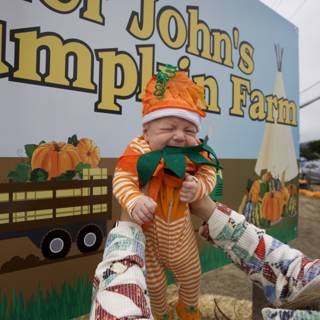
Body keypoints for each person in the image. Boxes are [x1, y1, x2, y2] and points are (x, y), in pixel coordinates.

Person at [90, 197, 320, 320]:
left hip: (177, 249)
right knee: (158, 287)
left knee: (190, 276)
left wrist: (127, 230)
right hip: (154, 252)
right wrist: (211, 211)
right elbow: (294, 273)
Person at [112, 67, 219, 320]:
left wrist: (198, 188)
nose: (180, 136)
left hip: (181, 235)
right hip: (149, 239)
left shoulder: (195, 153)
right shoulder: (138, 150)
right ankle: (159, 314)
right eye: (169, 127)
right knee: (154, 287)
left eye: (189, 130)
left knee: (192, 275)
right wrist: (135, 199)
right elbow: (122, 178)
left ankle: (188, 310)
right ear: (146, 131)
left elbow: (210, 174)